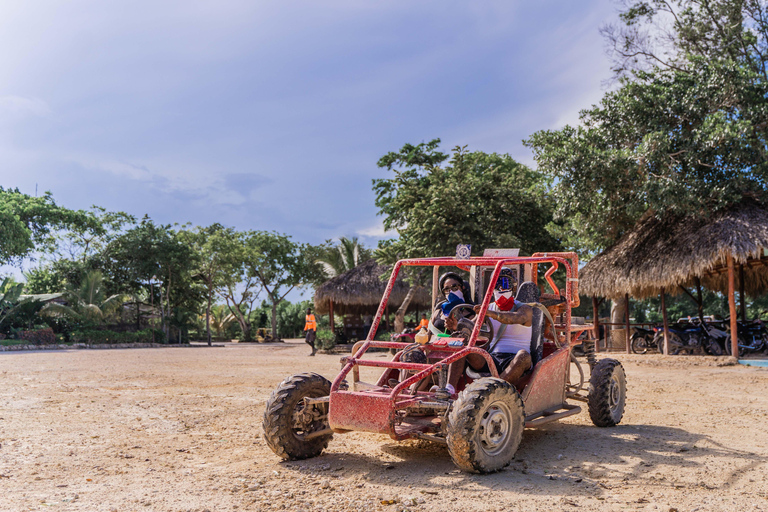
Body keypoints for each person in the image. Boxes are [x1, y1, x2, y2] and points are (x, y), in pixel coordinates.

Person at [467, 268, 533, 386]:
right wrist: (457, 326)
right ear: (491, 288)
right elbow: (470, 327)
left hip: (516, 359)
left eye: (504, 284)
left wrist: (489, 313)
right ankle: (448, 388)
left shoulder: (525, 309)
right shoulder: (488, 308)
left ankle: (494, 389)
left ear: (513, 287)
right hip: (492, 358)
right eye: (496, 284)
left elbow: (515, 318)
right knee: (462, 346)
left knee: (524, 356)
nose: (501, 289)